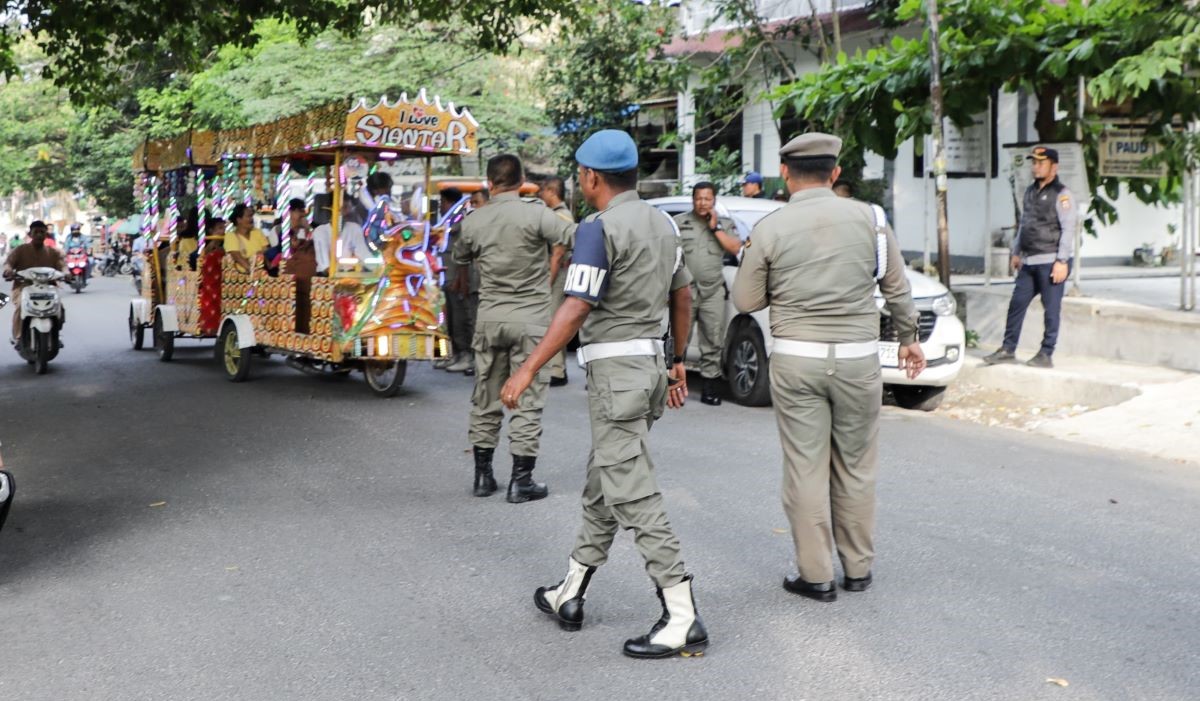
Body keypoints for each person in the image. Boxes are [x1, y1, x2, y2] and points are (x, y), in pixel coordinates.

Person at [499, 130, 708, 659]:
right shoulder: (664, 222)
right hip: (650, 370)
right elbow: (683, 295)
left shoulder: (597, 228)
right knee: (604, 480)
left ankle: (681, 614)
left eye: (580, 175)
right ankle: (571, 590)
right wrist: (678, 359)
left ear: (591, 177)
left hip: (616, 375)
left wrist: (527, 369)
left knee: (631, 490)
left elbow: (576, 305)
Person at [732, 132, 925, 603]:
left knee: (805, 468)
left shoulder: (772, 228)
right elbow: (897, 289)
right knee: (857, 468)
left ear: (785, 174)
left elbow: (745, 299)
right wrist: (908, 340)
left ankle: (816, 576)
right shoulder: (871, 220)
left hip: (798, 359)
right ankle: (857, 569)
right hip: (859, 359)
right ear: (835, 173)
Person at [453, 155, 572, 502]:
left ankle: (483, 477)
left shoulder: (475, 219)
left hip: (490, 320)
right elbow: (573, 236)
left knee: (485, 398)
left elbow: (460, 255)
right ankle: (521, 481)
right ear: (522, 182)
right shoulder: (537, 214)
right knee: (528, 399)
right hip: (530, 321)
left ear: (490, 183)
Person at [983, 146, 1076, 369]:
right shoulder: (1029, 191)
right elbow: (1025, 223)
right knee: (1017, 304)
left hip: (1052, 261)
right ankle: (1008, 348)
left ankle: (1046, 353)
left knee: (1051, 310)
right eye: (1034, 162)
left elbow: (1068, 228)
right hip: (1029, 261)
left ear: (1054, 167)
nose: (1035, 166)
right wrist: (1016, 251)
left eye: (1041, 163)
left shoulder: (1062, 194)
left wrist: (1062, 261)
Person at [673, 182, 741, 406]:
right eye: (699, 198)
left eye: (707, 199)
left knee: (713, 338)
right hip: (685, 290)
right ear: (693, 200)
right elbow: (669, 256)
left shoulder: (724, 224)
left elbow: (734, 248)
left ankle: (710, 386)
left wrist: (715, 228)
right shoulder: (679, 223)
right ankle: (673, 384)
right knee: (679, 340)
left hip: (712, 291)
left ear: (714, 201)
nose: (702, 203)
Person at [537, 176, 576, 387]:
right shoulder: (556, 214)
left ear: (552, 192)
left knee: (554, 321)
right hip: (556, 272)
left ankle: (557, 370)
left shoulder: (560, 216)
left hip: (558, 274)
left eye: (543, 191)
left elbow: (557, 254)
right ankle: (554, 367)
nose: (541, 195)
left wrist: (548, 283)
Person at [3, 221, 66, 344]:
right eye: (36, 232)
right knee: (21, 306)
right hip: (23, 287)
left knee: (60, 308)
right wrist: (8, 271)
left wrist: (67, 273)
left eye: (42, 232)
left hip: (48, 287)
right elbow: (8, 263)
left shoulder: (52, 252)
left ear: (46, 234)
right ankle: (18, 336)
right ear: (30, 234)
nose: (39, 235)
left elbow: (62, 266)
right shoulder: (20, 250)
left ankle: (55, 334)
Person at [438, 187, 471, 373]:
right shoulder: (445, 222)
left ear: (451, 203)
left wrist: (460, 278)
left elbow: (463, 254)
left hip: (455, 278)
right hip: (445, 277)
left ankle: (465, 353)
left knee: (460, 318)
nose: (441, 206)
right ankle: (454, 353)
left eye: (443, 202)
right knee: (448, 319)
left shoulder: (461, 222)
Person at [224, 203, 270, 273]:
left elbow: (266, 251)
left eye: (252, 216)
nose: (252, 219)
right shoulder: (231, 236)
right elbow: (237, 257)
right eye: (249, 216)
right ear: (239, 220)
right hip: (244, 274)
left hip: (262, 271)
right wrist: (252, 271)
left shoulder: (257, 232)